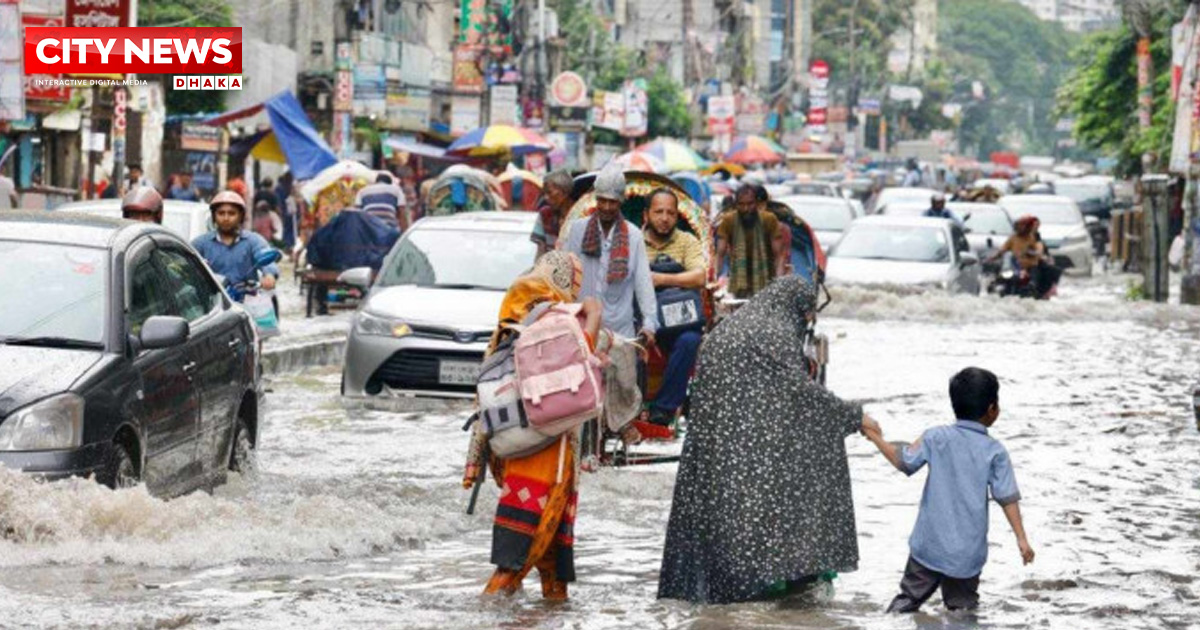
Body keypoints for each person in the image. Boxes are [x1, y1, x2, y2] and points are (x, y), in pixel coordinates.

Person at [658, 277, 875, 604]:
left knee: (730, 510)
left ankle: (735, 587)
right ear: (795, 307)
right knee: (780, 485)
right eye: (806, 314)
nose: (806, 321)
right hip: (748, 440)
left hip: (721, 441)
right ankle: (776, 574)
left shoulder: (737, 326)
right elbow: (801, 393)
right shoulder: (774, 333)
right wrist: (852, 415)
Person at [464, 251, 603, 601]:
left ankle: (550, 613)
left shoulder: (517, 306)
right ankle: (486, 613)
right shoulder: (553, 312)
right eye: (574, 280)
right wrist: (594, 317)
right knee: (523, 545)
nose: (575, 288)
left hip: (513, 435)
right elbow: (567, 364)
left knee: (548, 550)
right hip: (543, 447)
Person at [862, 367, 1034, 613]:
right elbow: (1007, 498)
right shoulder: (994, 451)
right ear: (992, 409)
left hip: (929, 546)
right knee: (962, 613)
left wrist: (876, 437)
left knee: (906, 601)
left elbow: (904, 461)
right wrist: (1021, 539)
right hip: (966, 556)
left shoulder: (935, 437)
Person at [563, 165, 658, 343]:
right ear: (596, 199)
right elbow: (566, 275)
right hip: (581, 330)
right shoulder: (578, 229)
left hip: (620, 334)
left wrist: (649, 323)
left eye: (612, 201)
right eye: (602, 200)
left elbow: (643, 282)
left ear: (621, 201)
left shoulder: (633, 235)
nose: (606, 207)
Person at [642, 188, 704, 430]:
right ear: (647, 214)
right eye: (658, 212)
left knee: (690, 341)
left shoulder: (687, 241)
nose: (664, 218)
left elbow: (699, 277)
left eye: (670, 212)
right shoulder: (634, 239)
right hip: (642, 314)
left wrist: (660, 279)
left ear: (677, 216)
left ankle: (663, 410)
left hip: (678, 318)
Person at [191, 190, 279, 297]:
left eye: (231, 213)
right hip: (213, 304)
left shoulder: (253, 240)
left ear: (240, 217)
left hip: (247, 304)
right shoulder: (201, 243)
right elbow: (182, 266)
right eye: (221, 213)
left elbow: (266, 260)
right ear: (214, 216)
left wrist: (269, 275)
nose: (226, 218)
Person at [716, 184, 784, 299]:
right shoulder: (728, 221)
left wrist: (777, 284)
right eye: (741, 205)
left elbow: (779, 255)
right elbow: (720, 254)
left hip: (766, 280)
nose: (746, 209)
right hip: (738, 282)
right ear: (736, 205)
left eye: (750, 204)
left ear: (756, 203)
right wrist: (715, 279)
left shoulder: (769, 219)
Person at [986, 215, 1061, 298]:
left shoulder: (1032, 238)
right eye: (1018, 225)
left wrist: (1032, 253)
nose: (1019, 228)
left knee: (1034, 276)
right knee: (1001, 276)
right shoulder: (1013, 238)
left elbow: (1038, 249)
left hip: (1030, 267)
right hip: (1015, 266)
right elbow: (1003, 249)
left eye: (1022, 226)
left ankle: (1033, 287)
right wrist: (993, 257)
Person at [530, 170, 575, 256]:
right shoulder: (545, 214)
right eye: (544, 193)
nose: (546, 197)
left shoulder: (582, 214)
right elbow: (540, 250)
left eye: (549, 192)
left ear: (564, 192)